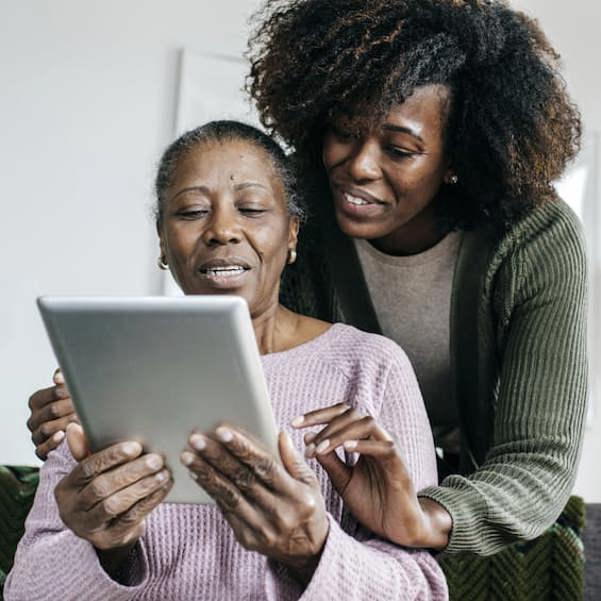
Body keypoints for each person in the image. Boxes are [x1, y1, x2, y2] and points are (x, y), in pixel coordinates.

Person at [7, 121, 448, 600]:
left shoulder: (371, 366)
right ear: (162, 240)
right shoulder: (104, 367)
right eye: (192, 211)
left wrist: (310, 550)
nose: (221, 230)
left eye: (252, 208)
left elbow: (420, 591)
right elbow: (26, 590)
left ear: (292, 232)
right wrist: (101, 547)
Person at [243, 0, 588, 555]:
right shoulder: (298, 219)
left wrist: (427, 519)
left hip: (463, 498)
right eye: (344, 131)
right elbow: (256, 381)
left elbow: (538, 459)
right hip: (330, 499)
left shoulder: (534, 239)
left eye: (399, 150)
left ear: (456, 158)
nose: (359, 165)